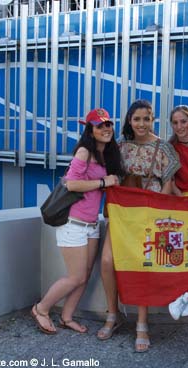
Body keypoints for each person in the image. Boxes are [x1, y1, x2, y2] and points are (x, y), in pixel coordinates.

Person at [98, 99, 180, 352]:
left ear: (152, 120)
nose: (142, 123)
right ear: (129, 121)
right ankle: (113, 314)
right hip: (123, 212)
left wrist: (159, 210)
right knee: (108, 262)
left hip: (149, 213)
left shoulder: (164, 148)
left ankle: (142, 324)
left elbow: (168, 182)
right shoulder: (118, 146)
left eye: (147, 118)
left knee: (142, 264)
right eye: (137, 119)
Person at [31, 108, 122, 335]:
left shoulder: (105, 156)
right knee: (76, 276)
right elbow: (71, 184)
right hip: (73, 224)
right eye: (100, 126)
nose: (106, 129)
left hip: (91, 225)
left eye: (108, 124)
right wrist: (103, 182)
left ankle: (66, 317)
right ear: (90, 130)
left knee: (85, 274)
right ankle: (41, 309)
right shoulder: (84, 152)